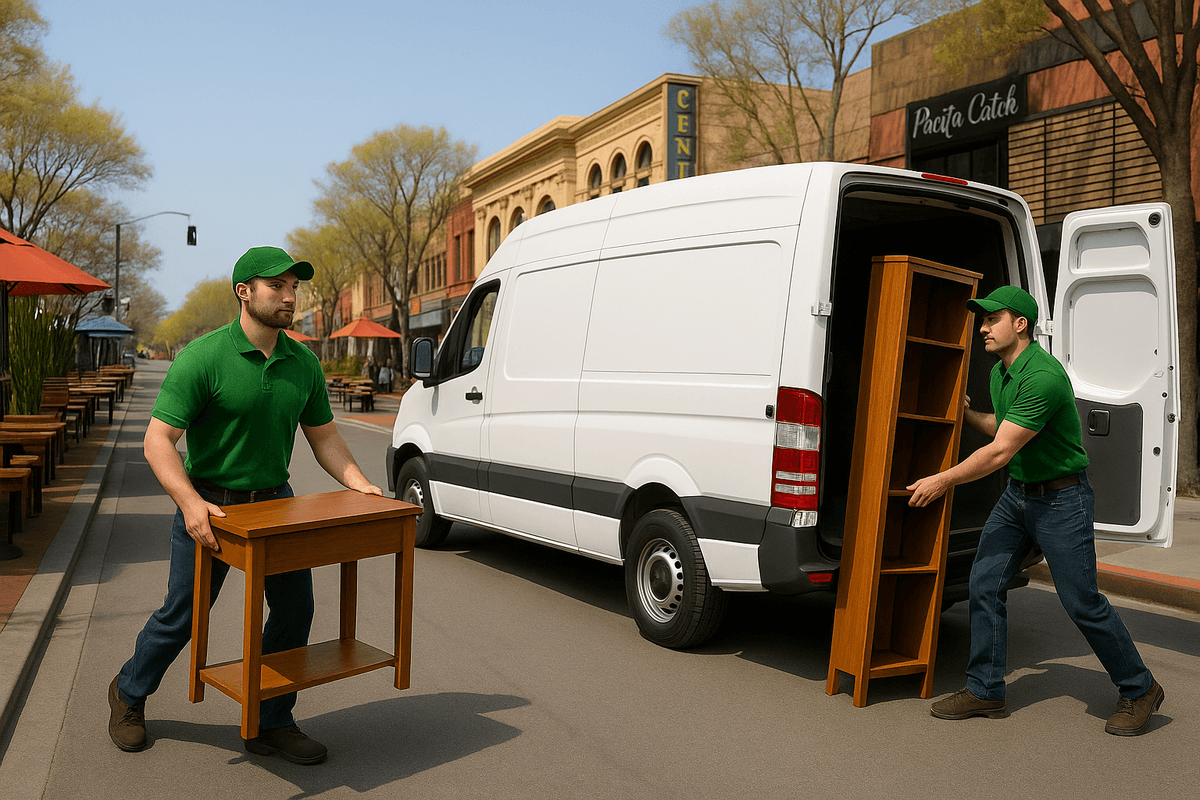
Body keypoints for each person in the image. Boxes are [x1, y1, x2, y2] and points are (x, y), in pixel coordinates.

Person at [108, 246, 383, 765]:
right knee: (185, 614)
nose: (289, 296)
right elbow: (158, 441)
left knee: (295, 609)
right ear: (244, 292)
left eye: (293, 287)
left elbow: (323, 437)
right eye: (276, 286)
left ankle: (269, 720)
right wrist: (190, 504)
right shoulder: (204, 356)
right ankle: (128, 693)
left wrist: (359, 482)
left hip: (276, 506)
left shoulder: (302, 361)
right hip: (209, 502)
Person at [907, 285, 1163, 736]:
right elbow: (1002, 428)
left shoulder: (1042, 376)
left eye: (992, 319)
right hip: (1019, 497)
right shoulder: (999, 373)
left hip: (1062, 500)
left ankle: (1140, 688)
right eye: (982, 320)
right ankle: (986, 689)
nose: (982, 328)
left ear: (1019, 324)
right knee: (985, 583)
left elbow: (999, 452)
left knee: (1082, 603)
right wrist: (970, 415)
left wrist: (942, 480)